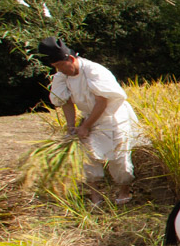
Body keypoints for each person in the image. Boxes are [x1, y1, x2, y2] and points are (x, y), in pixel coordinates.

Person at [39, 37, 147, 205]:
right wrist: (72, 127)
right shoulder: (62, 76)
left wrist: (86, 126)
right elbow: (66, 102)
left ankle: (124, 192)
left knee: (119, 156)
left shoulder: (94, 71)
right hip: (89, 116)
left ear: (72, 59)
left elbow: (102, 101)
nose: (59, 70)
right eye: (56, 67)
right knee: (88, 157)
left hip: (113, 117)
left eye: (61, 65)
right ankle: (95, 195)